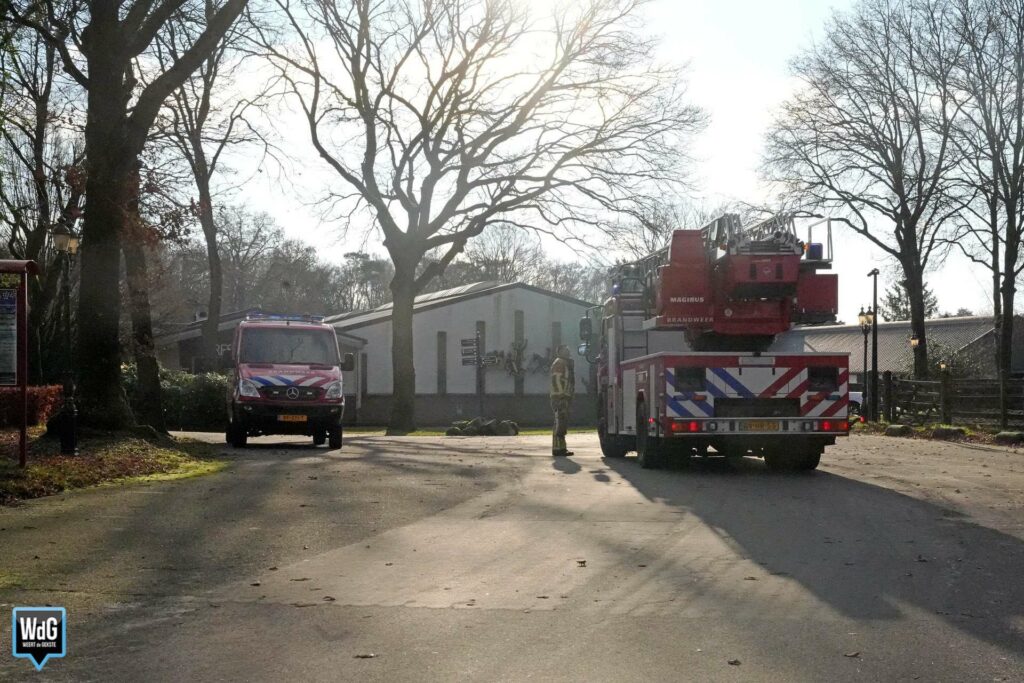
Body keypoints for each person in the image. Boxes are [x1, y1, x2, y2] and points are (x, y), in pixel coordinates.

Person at [550, 344, 575, 456]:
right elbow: (557, 379)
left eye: (568, 349)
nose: (568, 351)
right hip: (560, 397)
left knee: (562, 423)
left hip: (563, 397)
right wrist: (561, 396)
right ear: (560, 352)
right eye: (566, 350)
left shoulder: (565, 363)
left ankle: (561, 448)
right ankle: (557, 449)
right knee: (560, 423)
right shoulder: (560, 363)